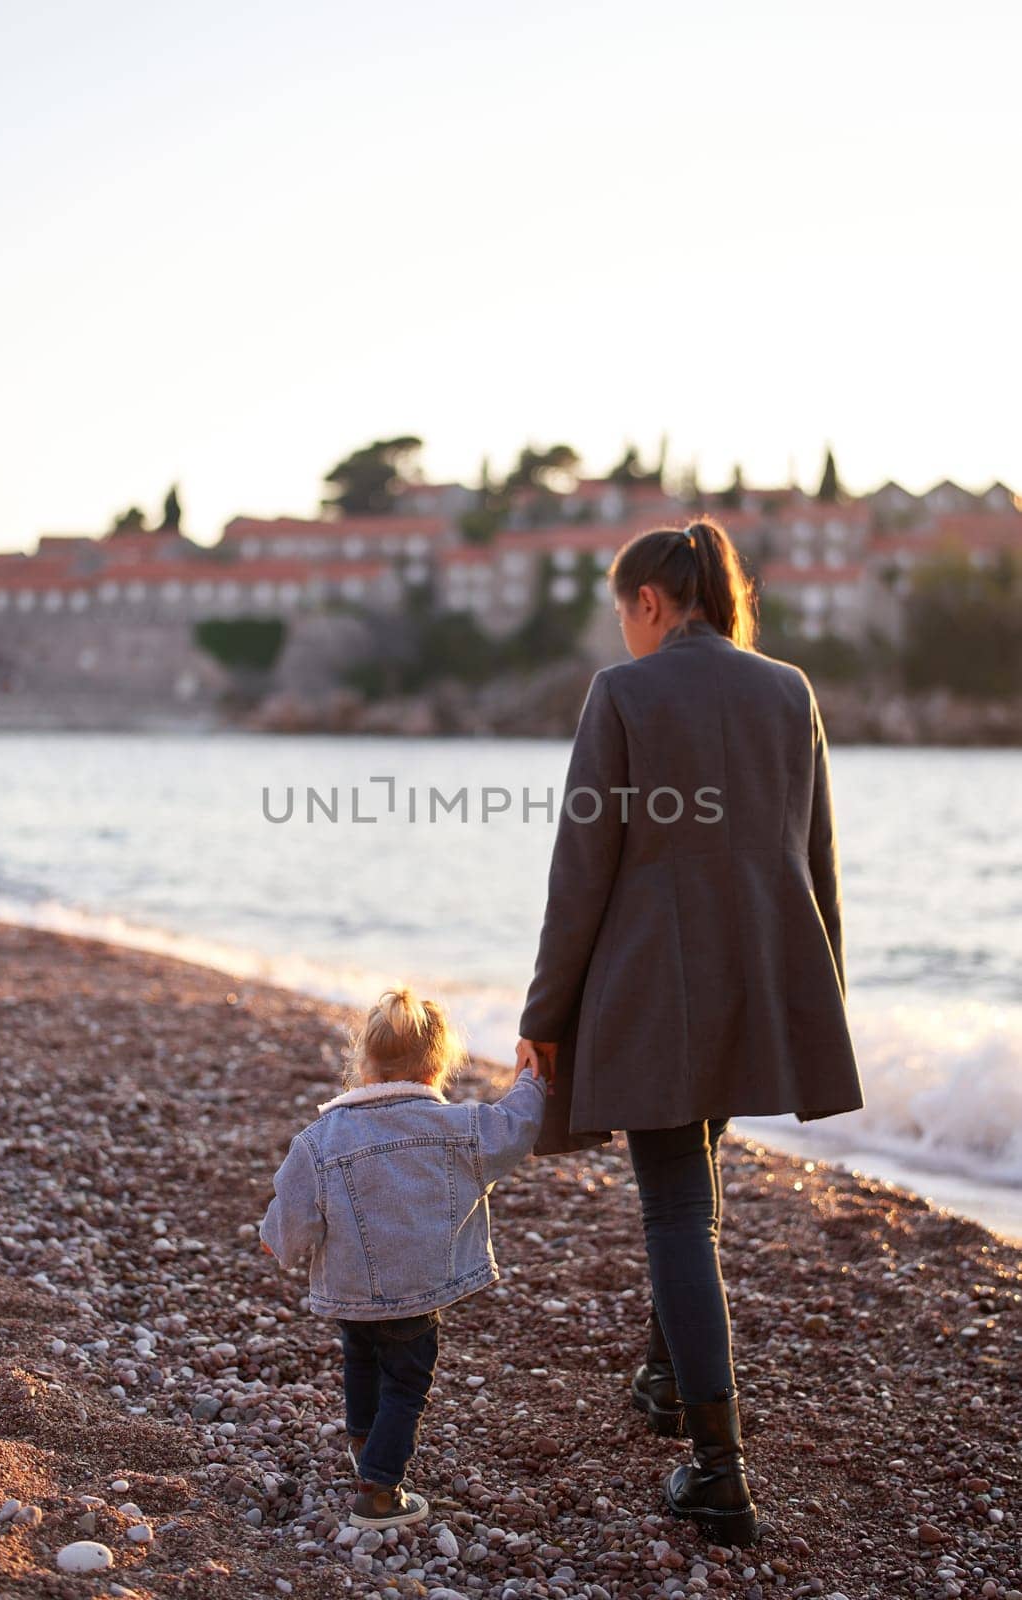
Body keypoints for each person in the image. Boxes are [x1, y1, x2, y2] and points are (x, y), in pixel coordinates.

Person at [515, 517, 863, 1548]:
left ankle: (719, 1471)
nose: (620, 629)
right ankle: (668, 1380)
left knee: (675, 1210)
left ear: (650, 604)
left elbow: (581, 870)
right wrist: (817, 1004)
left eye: (621, 610)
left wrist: (542, 1017)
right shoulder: (788, 688)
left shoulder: (623, 693)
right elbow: (818, 863)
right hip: (760, 983)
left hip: (652, 991)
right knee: (693, 1193)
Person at [260, 985, 546, 1530]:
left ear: (363, 1063)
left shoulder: (319, 1139)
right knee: (407, 1386)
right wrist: (532, 1076)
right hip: (415, 1294)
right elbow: (516, 1126)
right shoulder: (458, 1128)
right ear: (437, 1067)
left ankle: (363, 1442)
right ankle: (380, 1491)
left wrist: (276, 1239)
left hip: (349, 1294)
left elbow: (291, 1210)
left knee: (361, 1355)